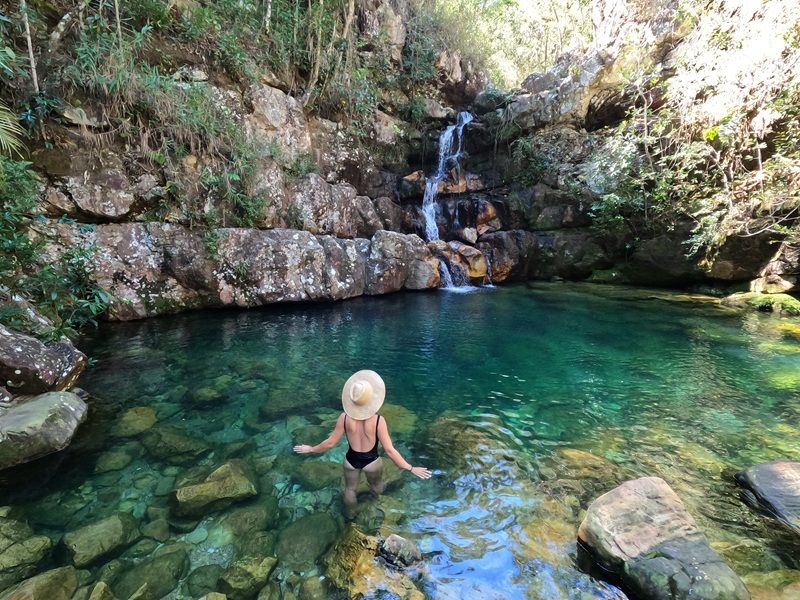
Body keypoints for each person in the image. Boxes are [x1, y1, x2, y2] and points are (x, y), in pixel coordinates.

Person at [293, 370, 432, 517]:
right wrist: (410, 468)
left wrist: (311, 449)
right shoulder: (378, 421)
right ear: (372, 399)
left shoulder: (344, 418)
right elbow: (390, 451)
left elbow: (329, 443)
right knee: (377, 486)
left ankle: (351, 514)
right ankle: (372, 505)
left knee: (350, 489)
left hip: (351, 460)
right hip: (371, 461)